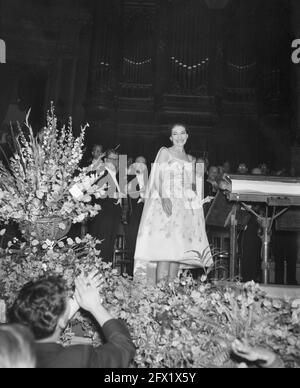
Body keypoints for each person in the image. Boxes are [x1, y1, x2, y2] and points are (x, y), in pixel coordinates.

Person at [134, 124, 213, 284]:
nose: (179, 137)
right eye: (175, 134)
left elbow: (190, 185)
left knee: (177, 251)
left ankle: (171, 295)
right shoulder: (165, 152)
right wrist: (164, 198)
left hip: (182, 208)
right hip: (166, 203)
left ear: (187, 135)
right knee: (165, 250)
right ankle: (159, 294)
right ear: (171, 137)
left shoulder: (191, 159)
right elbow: (157, 177)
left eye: (182, 133)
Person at [9, 274, 136, 368]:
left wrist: (77, 299)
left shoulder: (7, 352)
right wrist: (95, 306)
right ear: (61, 322)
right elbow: (124, 347)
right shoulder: (77, 359)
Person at [88, 149, 124, 263]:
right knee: (101, 247)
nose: (115, 162)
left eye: (116, 160)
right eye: (112, 159)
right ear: (106, 160)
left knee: (108, 247)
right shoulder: (101, 171)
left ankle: (105, 274)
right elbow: (95, 191)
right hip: (103, 216)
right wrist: (114, 195)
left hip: (112, 216)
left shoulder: (113, 174)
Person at [126, 156, 148, 262]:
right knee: (133, 242)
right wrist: (142, 199)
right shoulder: (127, 177)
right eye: (138, 163)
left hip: (147, 214)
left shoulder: (149, 179)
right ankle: (130, 271)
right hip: (134, 213)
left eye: (143, 163)